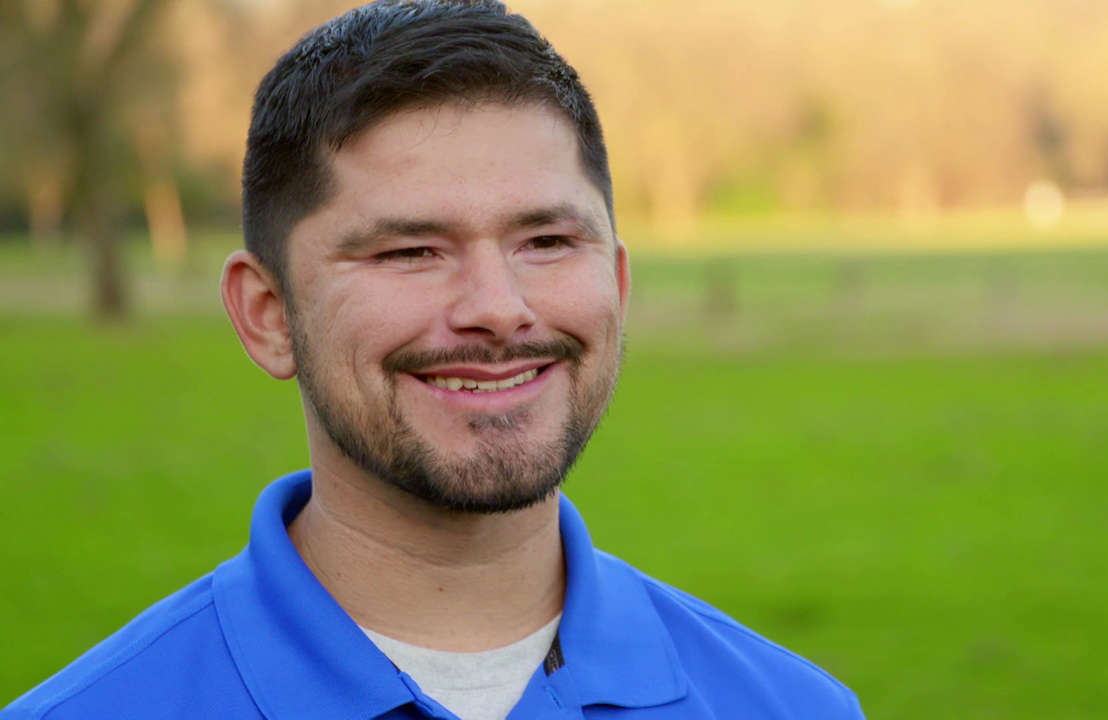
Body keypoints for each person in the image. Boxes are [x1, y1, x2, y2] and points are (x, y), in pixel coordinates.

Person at [3, 2, 864, 718]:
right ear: (268, 316)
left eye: (547, 240)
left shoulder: (792, 707)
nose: (497, 307)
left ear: (616, 279)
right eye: (410, 251)